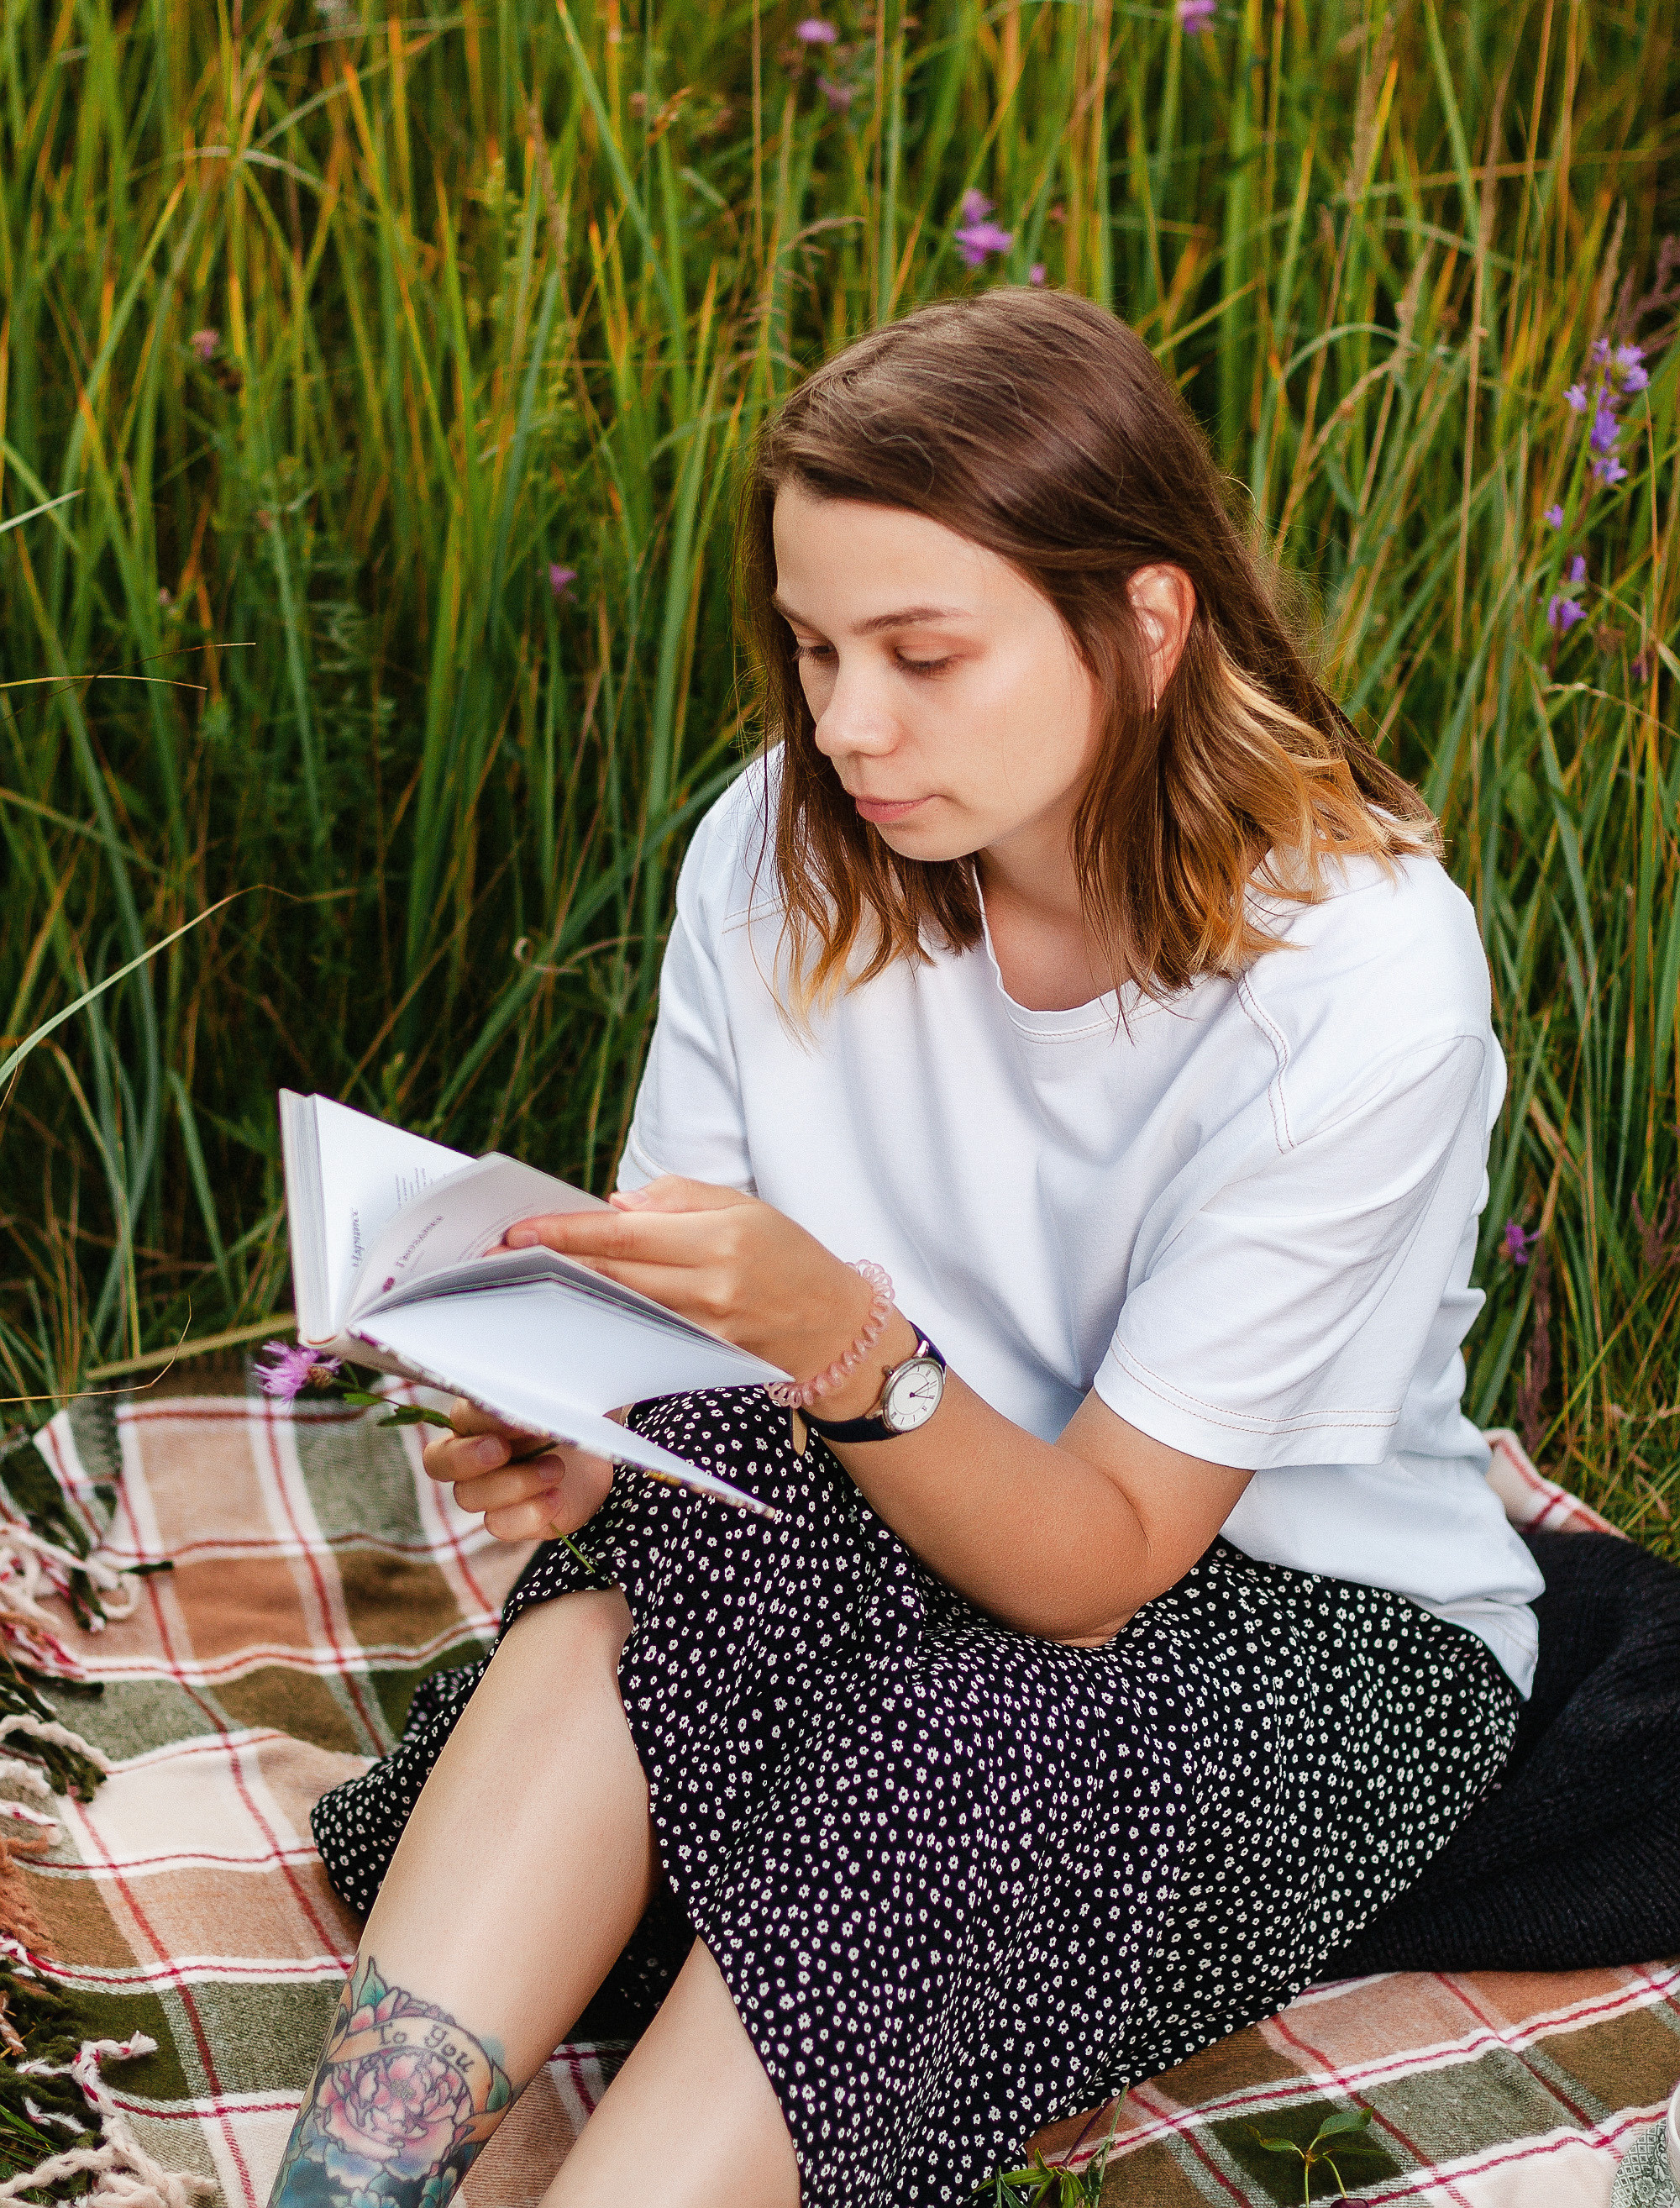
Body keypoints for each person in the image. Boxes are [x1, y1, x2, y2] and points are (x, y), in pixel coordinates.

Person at [278, 290, 1543, 2208]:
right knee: (651, 1572)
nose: (846, 726)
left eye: (923, 656)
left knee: (966, 1752)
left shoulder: (1363, 979)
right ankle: (340, 2192)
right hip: (875, 1514)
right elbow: (697, 1348)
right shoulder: (777, 850)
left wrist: (846, 1346)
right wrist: (599, 1425)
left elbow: (1101, 1567)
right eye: (810, 650)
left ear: (1143, 619)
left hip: (1290, 1617)